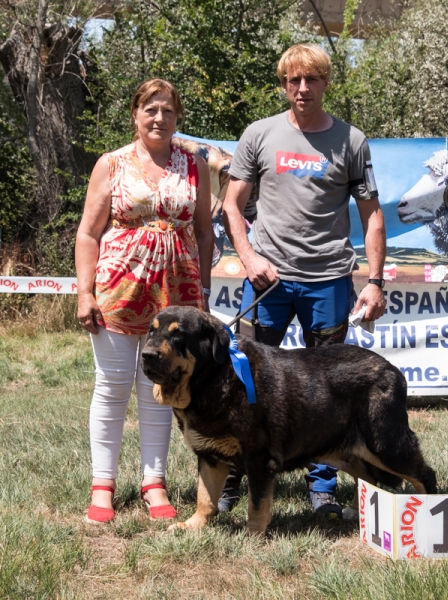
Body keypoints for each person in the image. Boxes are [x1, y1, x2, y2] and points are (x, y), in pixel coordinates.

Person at [221, 44, 387, 520]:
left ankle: (323, 487)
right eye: (293, 80)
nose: (302, 88)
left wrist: (374, 281)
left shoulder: (352, 141)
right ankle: (234, 474)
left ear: (325, 82)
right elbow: (232, 206)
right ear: (283, 84)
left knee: (327, 386)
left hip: (329, 281)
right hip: (268, 282)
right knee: (243, 381)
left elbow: (372, 215)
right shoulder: (259, 135)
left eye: (311, 79)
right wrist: (248, 257)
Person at [75, 79, 213, 523]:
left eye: (168, 110)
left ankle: (154, 484)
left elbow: (207, 233)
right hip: (118, 291)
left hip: (178, 296)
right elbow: (88, 233)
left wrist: (203, 293)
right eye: (151, 109)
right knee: (112, 388)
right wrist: (84, 291)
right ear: (135, 114)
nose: (159, 118)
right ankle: (103, 486)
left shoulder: (195, 165)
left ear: (178, 117)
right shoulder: (111, 164)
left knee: (162, 391)